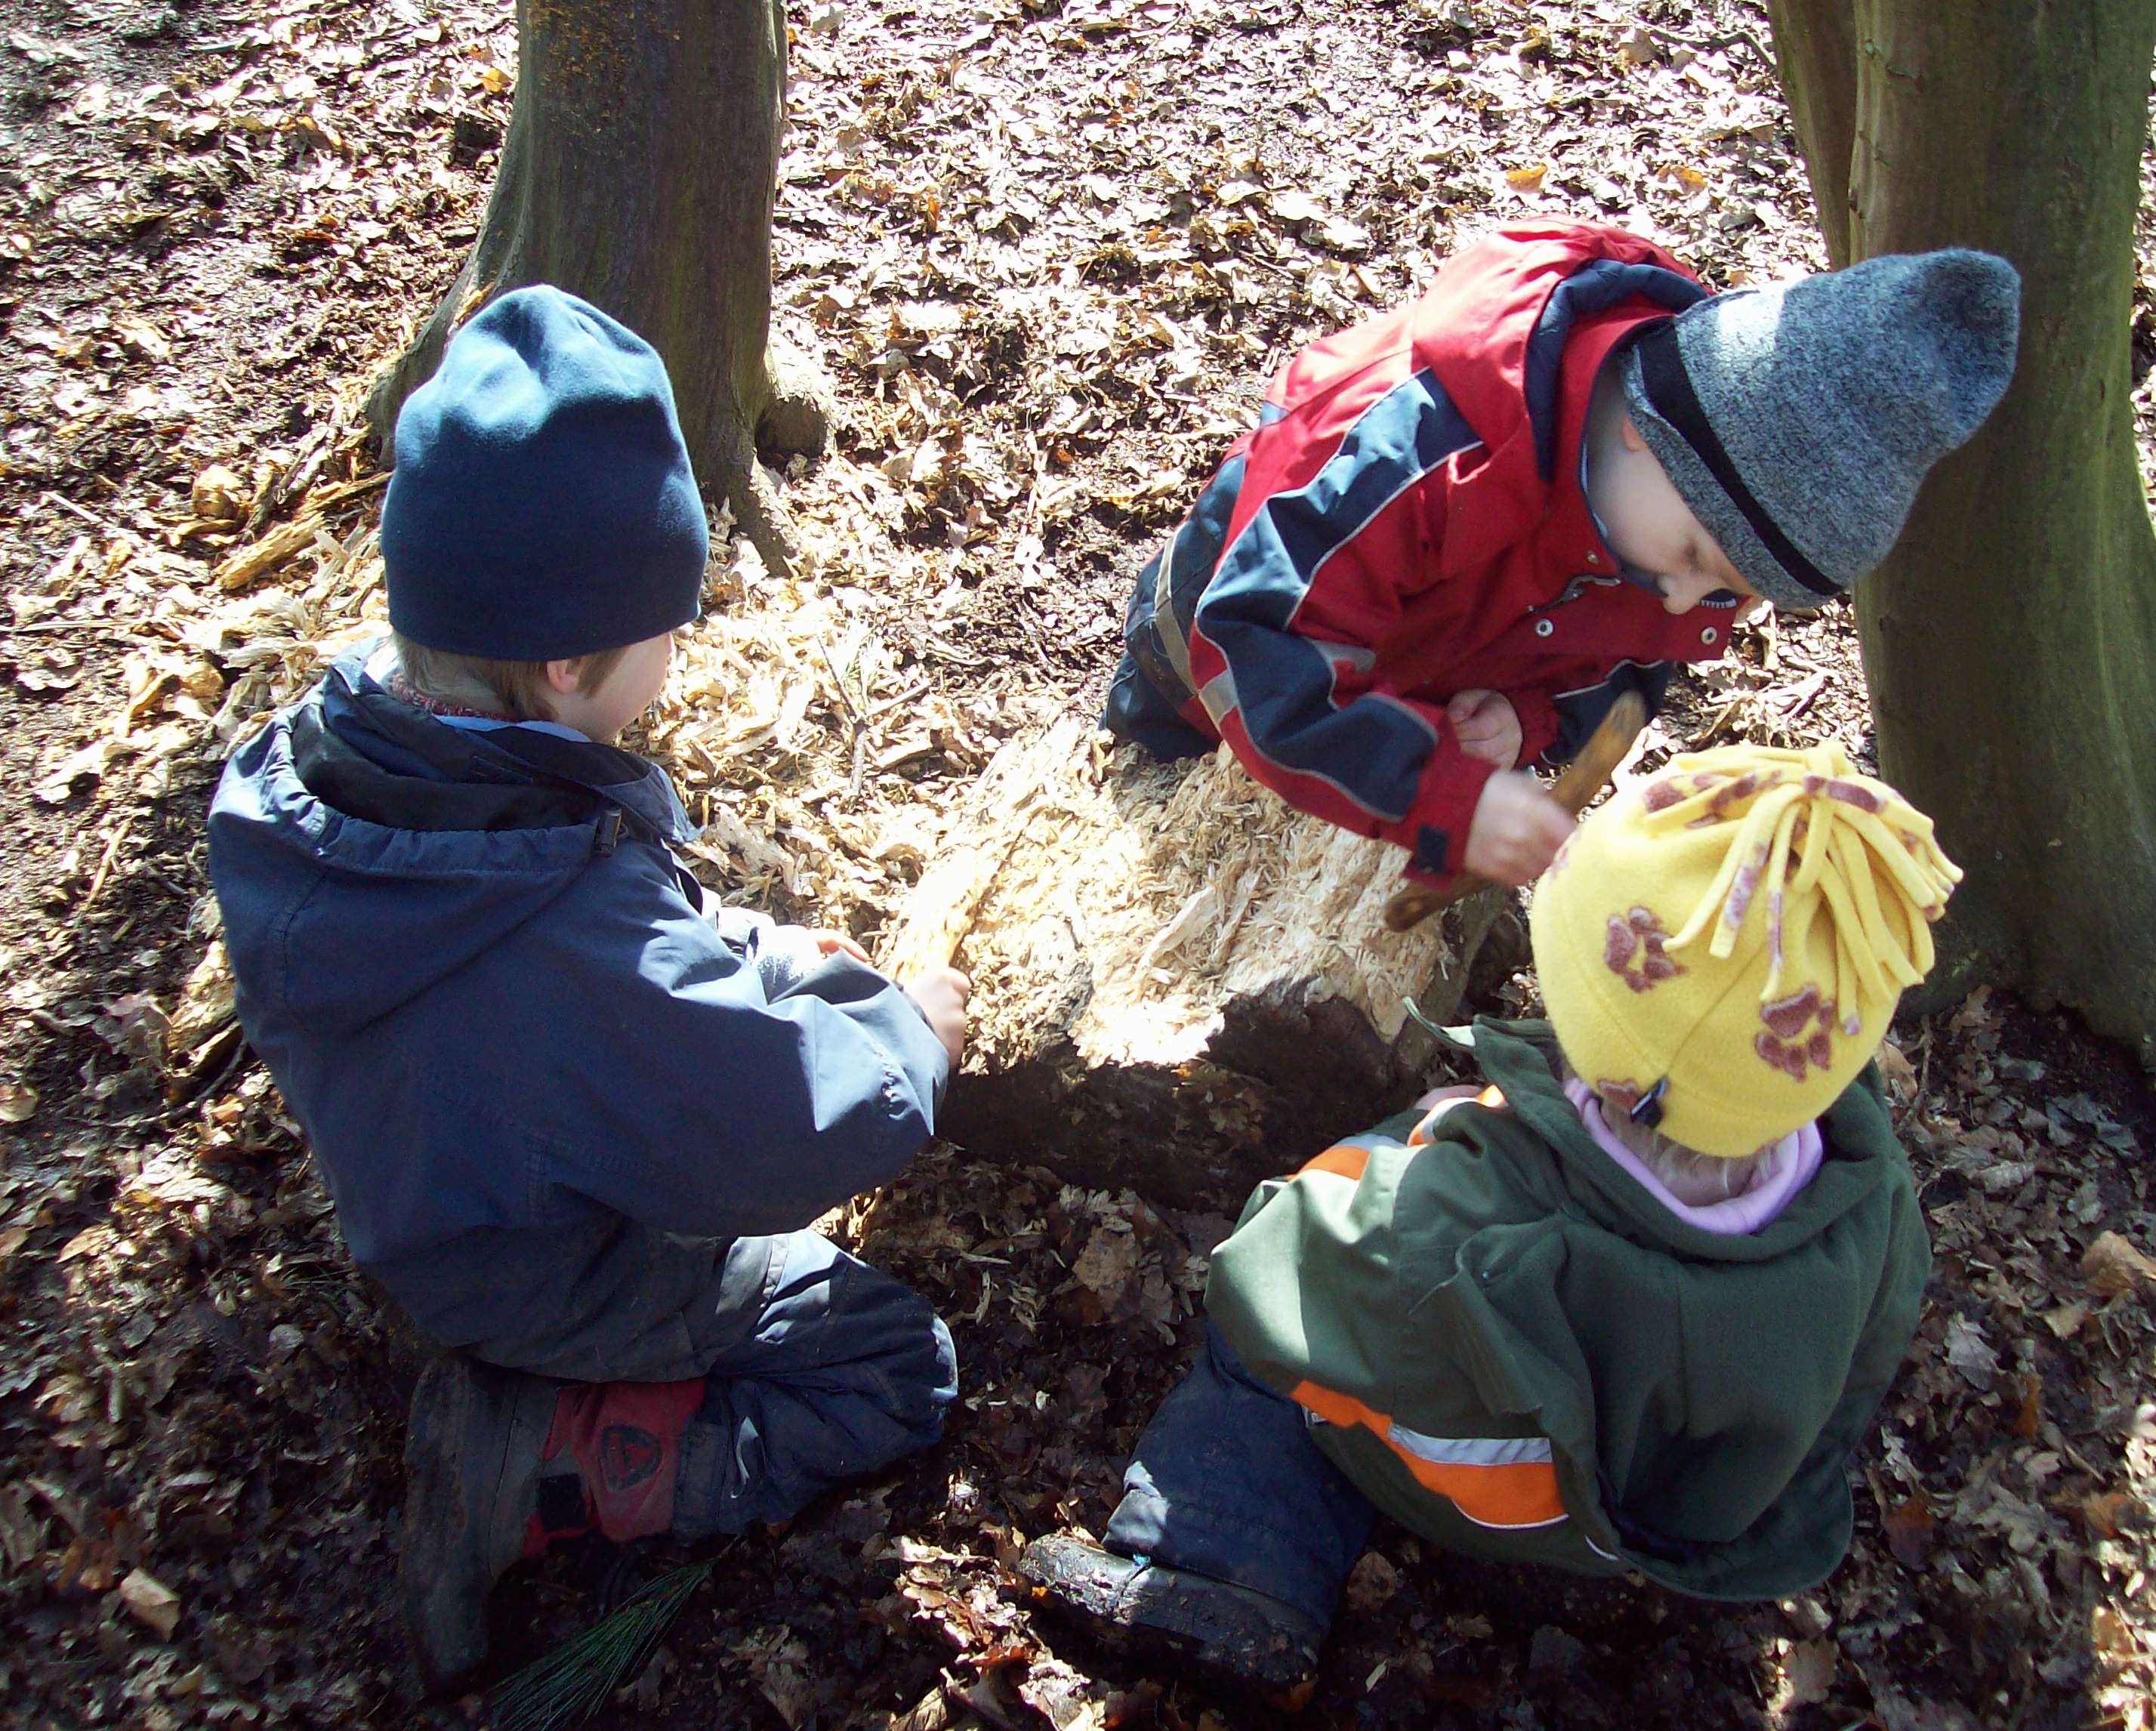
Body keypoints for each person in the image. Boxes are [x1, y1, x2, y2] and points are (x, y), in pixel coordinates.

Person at [205, 287, 973, 1689]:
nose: (680, 649)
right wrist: (906, 1039)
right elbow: (773, 1135)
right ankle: (537, 1457)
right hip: (535, 1266)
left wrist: (747, 951)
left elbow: (581, 939)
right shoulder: (561, 933)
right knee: (891, 1366)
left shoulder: (325, 771)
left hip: (423, 1191)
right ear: (567, 662)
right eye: (667, 624)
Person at [1019, 741, 1957, 1699]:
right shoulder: (1868, 1188)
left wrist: (1414, 1145)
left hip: (1525, 1489)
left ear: (1602, 1035)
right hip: (1688, 1515)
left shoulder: (1474, 1218)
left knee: (1264, 1359)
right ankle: (1582, 1577)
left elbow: (1287, 1260)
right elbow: (1864, 1352)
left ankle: (1216, 1565)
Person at [1104, 219, 2017, 890]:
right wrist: (1447, 797)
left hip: (1402, 696)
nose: (1683, 601)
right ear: (1648, 432)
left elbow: (1619, 676)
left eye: (1727, 592)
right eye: (1696, 557)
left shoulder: (1658, 532)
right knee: (1154, 787)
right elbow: (1256, 640)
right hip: (1215, 643)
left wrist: (1523, 719)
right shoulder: (1419, 449)